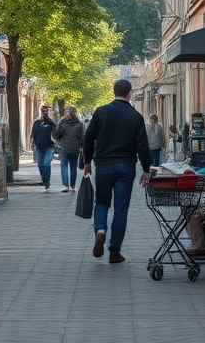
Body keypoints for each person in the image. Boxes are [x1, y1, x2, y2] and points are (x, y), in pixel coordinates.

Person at [83, 79, 151, 264]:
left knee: (102, 201)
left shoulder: (101, 112)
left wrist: (87, 162)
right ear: (130, 93)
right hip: (126, 166)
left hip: (103, 165)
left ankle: (101, 230)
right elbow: (143, 146)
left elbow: (88, 138)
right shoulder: (135, 116)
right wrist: (146, 169)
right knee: (121, 209)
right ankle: (114, 252)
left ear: (113, 92)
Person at [53, 105, 85, 192]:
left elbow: (56, 135)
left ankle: (66, 186)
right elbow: (81, 138)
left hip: (63, 148)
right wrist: (81, 147)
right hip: (75, 149)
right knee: (73, 168)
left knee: (64, 167)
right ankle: (73, 186)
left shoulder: (62, 123)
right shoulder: (79, 124)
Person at [29, 104, 57, 191]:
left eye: (46, 111)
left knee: (46, 163)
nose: (44, 113)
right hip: (39, 147)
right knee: (40, 165)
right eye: (43, 111)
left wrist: (55, 140)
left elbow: (55, 134)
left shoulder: (51, 123)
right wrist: (32, 143)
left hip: (49, 146)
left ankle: (47, 182)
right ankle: (44, 181)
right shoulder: (36, 123)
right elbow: (33, 134)